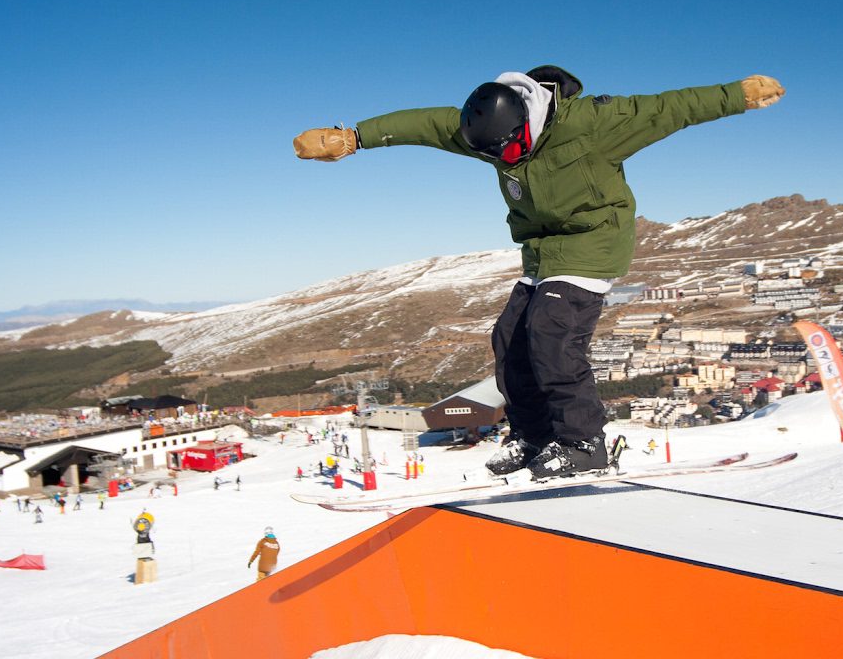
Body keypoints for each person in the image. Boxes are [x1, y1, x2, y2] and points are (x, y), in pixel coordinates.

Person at [294, 67, 784, 478]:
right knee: (508, 340)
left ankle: (584, 443)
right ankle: (533, 437)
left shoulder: (595, 122)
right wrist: (355, 137)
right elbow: (424, 123)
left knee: (551, 334)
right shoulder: (484, 132)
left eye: (506, 150)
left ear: (525, 123)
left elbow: (669, 107)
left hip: (592, 241)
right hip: (541, 250)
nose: (500, 159)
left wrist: (738, 94)